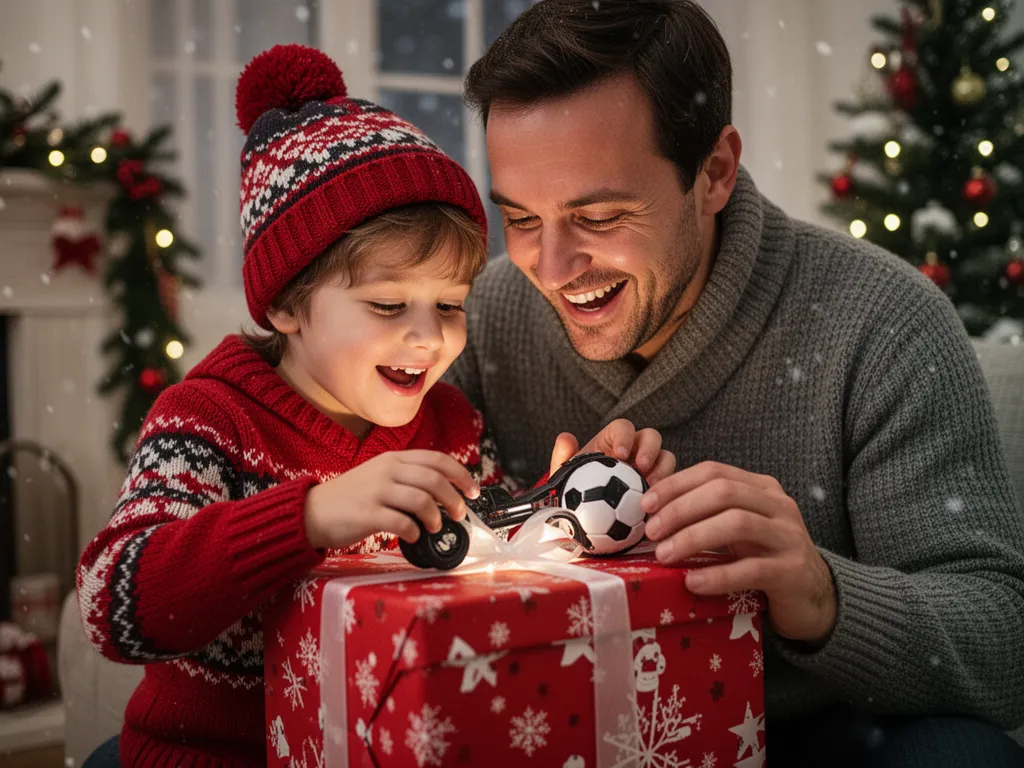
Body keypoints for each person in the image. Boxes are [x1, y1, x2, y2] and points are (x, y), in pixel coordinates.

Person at [449, 1, 1024, 765]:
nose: (551, 269)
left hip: (827, 734)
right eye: (521, 220)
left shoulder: (884, 322)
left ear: (714, 172)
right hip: (562, 726)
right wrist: (528, 522)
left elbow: (1002, 639)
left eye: (601, 216)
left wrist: (821, 595)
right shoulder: (483, 317)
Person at [76, 44, 672, 768]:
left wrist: (564, 504)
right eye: (388, 305)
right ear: (288, 304)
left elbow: (488, 553)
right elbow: (110, 604)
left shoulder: (450, 427)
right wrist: (309, 516)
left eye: (449, 305)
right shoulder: (207, 422)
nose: (428, 338)